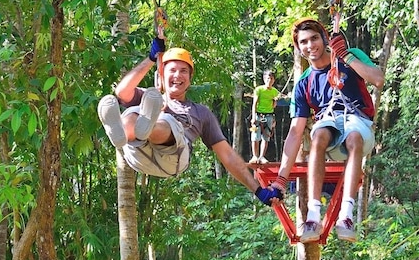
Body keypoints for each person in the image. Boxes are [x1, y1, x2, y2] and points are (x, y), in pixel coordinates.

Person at [97, 37, 282, 207]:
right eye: (172, 70)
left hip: (174, 158)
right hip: (138, 155)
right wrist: (151, 59)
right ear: (162, 75)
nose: (177, 75)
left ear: (190, 78)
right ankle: (122, 133)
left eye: (183, 71)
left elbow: (228, 156)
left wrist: (258, 190)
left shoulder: (200, 113)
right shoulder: (151, 98)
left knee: (166, 120)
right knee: (132, 113)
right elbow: (121, 92)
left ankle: (148, 127)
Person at [275, 18, 384, 243]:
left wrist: (345, 55)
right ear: (299, 48)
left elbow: (378, 79)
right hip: (329, 126)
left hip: (358, 122)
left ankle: (346, 214)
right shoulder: (304, 83)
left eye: (314, 38)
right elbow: (296, 132)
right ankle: (313, 215)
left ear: (324, 38)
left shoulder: (348, 57)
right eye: (303, 42)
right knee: (319, 136)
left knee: (353, 138)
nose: (310, 45)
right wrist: (281, 179)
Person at [250, 70, 280, 164]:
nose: (269, 80)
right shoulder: (259, 89)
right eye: (267, 78)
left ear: (274, 80)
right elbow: (254, 103)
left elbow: (273, 106)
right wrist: (253, 116)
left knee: (266, 137)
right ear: (264, 79)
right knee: (255, 136)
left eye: (271, 78)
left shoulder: (275, 91)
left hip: (269, 115)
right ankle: (255, 156)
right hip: (259, 115)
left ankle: (262, 157)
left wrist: (275, 100)